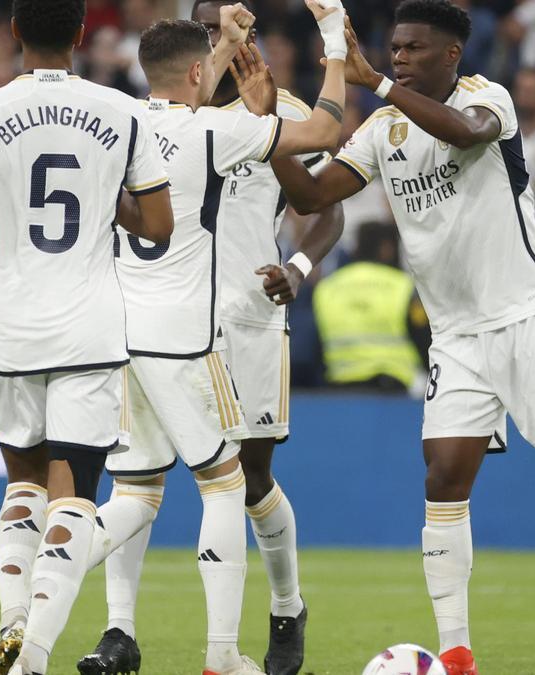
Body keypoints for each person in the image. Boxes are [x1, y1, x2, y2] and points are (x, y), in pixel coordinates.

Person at [269, 2, 535, 674]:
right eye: (394, 48)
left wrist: (376, 83)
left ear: (451, 55)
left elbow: (468, 135)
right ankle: (458, 655)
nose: (400, 57)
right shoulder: (383, 130)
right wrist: (264, 133)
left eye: (414, 48)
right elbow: (310, 196)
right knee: (443, 477)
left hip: (531, 315)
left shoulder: (487, 98)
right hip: (457, 336)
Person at [80, 4, 349, 675]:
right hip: (179, 324)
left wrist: (300, 265)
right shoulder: (203, 122)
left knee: (247, 480)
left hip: (246, 317)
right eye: (209, 25)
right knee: (154, 478)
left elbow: (322, 205)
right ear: (205, 42)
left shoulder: (267, 107)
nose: (222, 35)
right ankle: (124, 632)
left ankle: (286, 607)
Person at [0, 0, 176, 672]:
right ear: (80, 34)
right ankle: (33, 653)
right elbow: (158, 225)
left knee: (24, 487)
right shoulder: (124, 111)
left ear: (14, 31)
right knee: (74, 495)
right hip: (91, 328)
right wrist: (106, 197)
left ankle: (14, 618)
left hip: (14, 325)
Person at [314, 222, 425, 392]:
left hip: (339, 391)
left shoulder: (326, 287)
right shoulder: (403, 286)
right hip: (393, 392)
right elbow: (424, 338)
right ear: (386, 248)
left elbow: (314, 345)